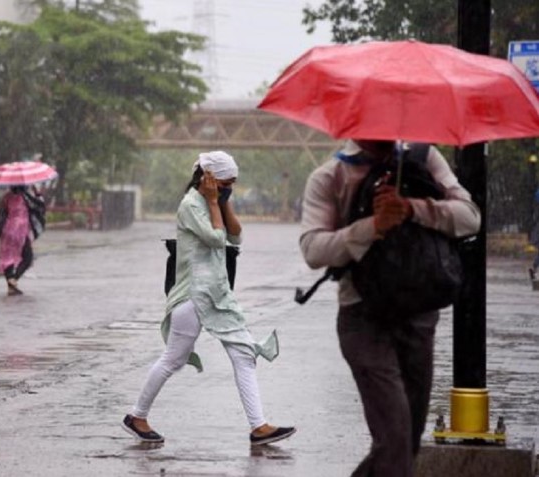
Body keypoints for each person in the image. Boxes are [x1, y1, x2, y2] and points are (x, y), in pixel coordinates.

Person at [299, 140, 481, 476]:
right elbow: (313, 249)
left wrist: (413, 208)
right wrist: (373, 226)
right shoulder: (331, 176)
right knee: (395, 439)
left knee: (405, 441)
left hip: (419, 314)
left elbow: (470, 217)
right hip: (363, 318)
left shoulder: (425, 158)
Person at [121, 151, 295, 446]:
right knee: (173, 360)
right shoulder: (190, 205)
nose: (230, 188)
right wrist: (214, 202)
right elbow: (216, 239)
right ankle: (137, 416)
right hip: (193, 295)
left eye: (233, 184)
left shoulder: (215, 203)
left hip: (216, 294)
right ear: (208, 178)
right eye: (226, 182)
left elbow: (235, 237)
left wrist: (222, 203)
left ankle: (259, 426)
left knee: (243, 355)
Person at [0, 186, 35, 296]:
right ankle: (13, 280)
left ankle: (11, 288)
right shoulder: (26, 197)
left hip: (7, 229)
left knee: (7, 258)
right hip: (20, 230)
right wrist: (37, 193)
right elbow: (38, 206)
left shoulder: (7, 197)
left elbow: (3, 209)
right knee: (28, 258)